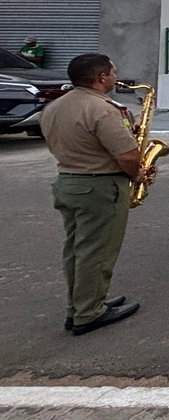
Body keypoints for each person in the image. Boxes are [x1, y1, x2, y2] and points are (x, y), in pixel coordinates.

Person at [40, 53, 144, 335]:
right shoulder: (105, 109)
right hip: (99, 186)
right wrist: (138, 175)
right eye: (112, 72)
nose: (115, 76)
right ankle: (89, 312)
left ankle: (80, 306)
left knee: (76, 250)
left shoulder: (55, 106)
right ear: (101, 78)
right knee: (97, 251)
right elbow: (127, 154)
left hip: (68, 181)